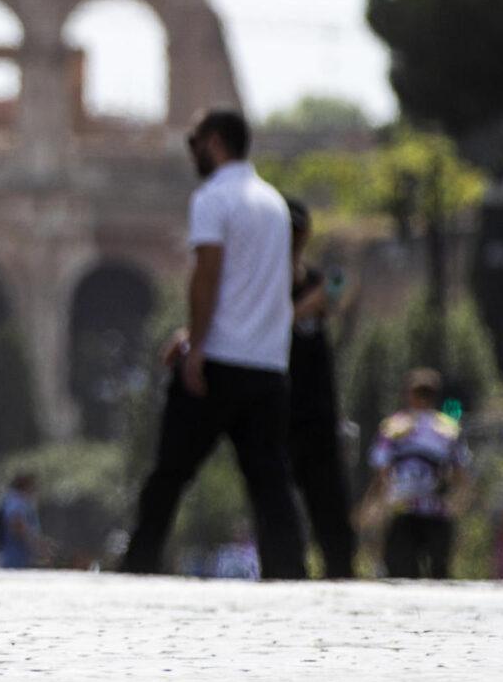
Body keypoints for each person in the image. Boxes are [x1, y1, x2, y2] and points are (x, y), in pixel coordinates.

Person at [122, 108, 306, 580]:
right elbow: (271, 284)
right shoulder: (274, 205)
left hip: (219, 362)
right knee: (271, 483)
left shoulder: (213, 198)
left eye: (195, 142)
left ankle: (138, 566)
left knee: (168, 476)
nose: (193, 153)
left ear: (216, 141)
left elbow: (208, 274)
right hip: (267, 365)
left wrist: (196, 346)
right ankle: (289, 574)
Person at [284, 202, 357, 580]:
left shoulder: (312, 277)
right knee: (279, 499)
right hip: (279, 406)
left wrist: (331, 300)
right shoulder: (263, 280)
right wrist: (301, 308)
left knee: (330, 501)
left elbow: (336, 322)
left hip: (319, 408)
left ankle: (340, 571)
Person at [363, 369, 470, 580]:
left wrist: (375, 505)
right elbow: (461, 475)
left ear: (408, 395)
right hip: (437, 511)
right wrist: (456, 506)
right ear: (434, 396)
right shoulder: (448, 428)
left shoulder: (393, 427)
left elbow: (382, 471)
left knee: (401, 575)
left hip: (403, 509)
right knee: (439, 573)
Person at [0, 470, 44, 570]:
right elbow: (16, 524)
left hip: (18, 553)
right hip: (15, 552)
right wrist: (34, 544)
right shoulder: (16, 501)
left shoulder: (16, 500)